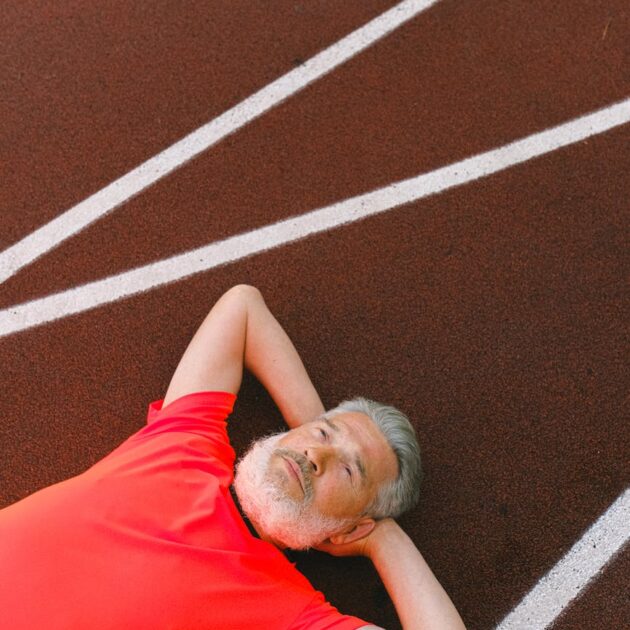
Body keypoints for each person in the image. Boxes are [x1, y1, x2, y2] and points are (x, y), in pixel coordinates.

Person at [0, 284, 466, 629]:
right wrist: (311, 435)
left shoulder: (286, 610)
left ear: (352, 527)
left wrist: (383, 540)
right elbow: (242, 306)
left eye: (348, 469)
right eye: (324, 434)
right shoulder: (186, 441)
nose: (316, 456)